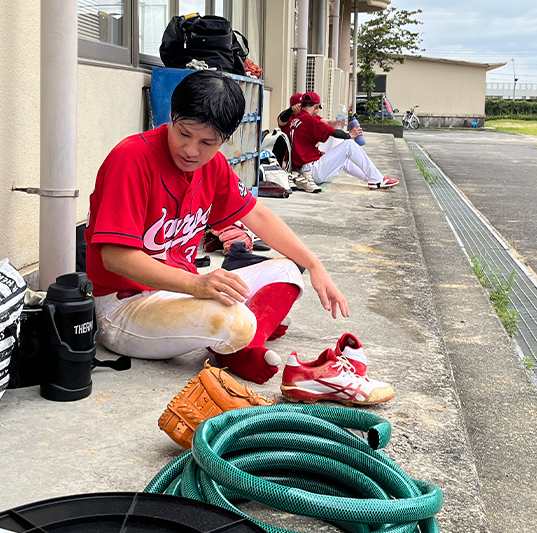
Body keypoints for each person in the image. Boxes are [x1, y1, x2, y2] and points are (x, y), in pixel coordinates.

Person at [84, 70, 348, 385]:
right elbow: (115, 257)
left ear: (225, 139)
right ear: (171, 116)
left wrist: (314, 264)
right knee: (236, 321)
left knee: (289, 272)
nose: (191, 150)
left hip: (183, 288)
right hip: (127, 306)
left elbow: (258, 217)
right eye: (183, 133)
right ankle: (244, 337)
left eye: (207, 141)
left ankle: (241, 343)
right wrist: (197, 285)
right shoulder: (132, 157)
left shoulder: (214, 165)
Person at [280, 91, 399, 190]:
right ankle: (377, 179)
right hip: (311, 171)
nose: (318, 111)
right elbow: (334, 132)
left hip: (303, 168)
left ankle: (374, 178)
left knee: (344, 160)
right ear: (316, 106)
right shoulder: (308, 120)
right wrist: (350, 135)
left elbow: (326, 124)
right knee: (348, 145)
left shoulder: (297, 120)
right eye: (318, 108)